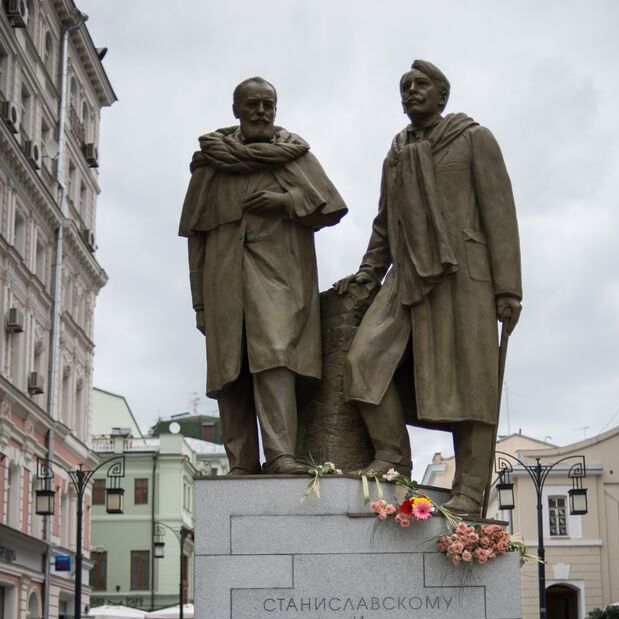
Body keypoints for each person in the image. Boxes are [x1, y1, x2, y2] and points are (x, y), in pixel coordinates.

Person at [336, 60, 522, 516]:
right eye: (405, 86)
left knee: (471, 384)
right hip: (406, 276)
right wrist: (367, 273)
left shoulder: (474, 138)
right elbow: (385, 222)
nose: (412, 91)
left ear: (442, 95)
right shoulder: (396, 152)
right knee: (364, 361)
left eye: (422, 85)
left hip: (465, 276)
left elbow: (500, 213)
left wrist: (508, 289)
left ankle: (470, 489)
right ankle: (393, 457)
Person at [179, 77, 347, 476]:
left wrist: (285, 201)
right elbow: (196, 237)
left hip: (279, 278)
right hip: (223, 283)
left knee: (273, 359)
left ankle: (280, 455)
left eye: (268, 104)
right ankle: (241, 462)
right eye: (252, 104)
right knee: (229, 370)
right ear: (236, 109)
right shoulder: (211, 165)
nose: (261, 111)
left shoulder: (292, 156)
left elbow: (332, 207)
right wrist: (199, 301)